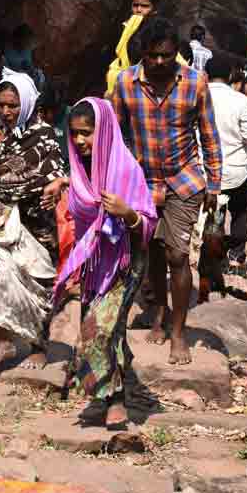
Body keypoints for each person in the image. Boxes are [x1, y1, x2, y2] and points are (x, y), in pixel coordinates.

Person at [112, 18, 222, 366]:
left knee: (178, 254)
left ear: (176, 53)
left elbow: (209, 134)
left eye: (167, 56)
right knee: (153, 253)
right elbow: (114, 134)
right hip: (142, 182)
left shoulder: (195, 82)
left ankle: (178, 332)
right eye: (153, 55)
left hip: (183, 180)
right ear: (143, 53)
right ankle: (158, 311)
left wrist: (214, 184)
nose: (160, 62)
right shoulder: (125, 83)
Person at [44, 99, 157, 430]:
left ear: (104, 131)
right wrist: (64, 183)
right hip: (95, 264)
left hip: (125, 264)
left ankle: (115, 398)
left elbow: (148, 225)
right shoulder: (82, 170)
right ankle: (110, 393)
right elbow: (87, 197)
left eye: (87, 133)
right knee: (109, 330)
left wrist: (128, 213)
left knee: (98, 330)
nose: (80, 141)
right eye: (75, 134)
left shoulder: (126, 170)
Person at [0, 73, 68, 376]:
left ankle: (38, 345)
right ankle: (3, 341)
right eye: (1, 104)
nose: (6, 111)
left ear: (27, 103)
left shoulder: (44, 133)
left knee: (36, 284)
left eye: (13, 105)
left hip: (35, 220)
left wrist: (56, 185)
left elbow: (58, 171)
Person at [204, 55, 247, 275]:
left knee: (215, 216)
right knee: (241, 212)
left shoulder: (197, 98)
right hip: (236, 172)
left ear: (205, 74)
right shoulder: (239, 100)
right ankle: (236, 258)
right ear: (230, 75)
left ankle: (215, 260)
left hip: (206, 173)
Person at [5, 24, 46, 90]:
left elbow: (32, 66)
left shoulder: (28, 50)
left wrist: (34, 71)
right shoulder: (7, 52)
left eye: (29, 41)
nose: (28, 43)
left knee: (40, 76)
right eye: (26, 40)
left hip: (28, 80)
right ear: (18, 39)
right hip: (14, 82)